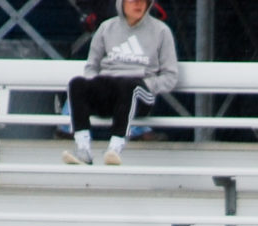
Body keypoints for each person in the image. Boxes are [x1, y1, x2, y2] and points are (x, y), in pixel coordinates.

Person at [62, 0, 179, 167]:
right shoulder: (106, 28)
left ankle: (115, 148)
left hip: (140, 95)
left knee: (127, 85)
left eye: (143, 2)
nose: (138, 5)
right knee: (77, 84)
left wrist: (149, 84)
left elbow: (170, 76)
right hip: (109, 92)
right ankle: (83, 149)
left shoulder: (161, 31)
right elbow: (91, 67)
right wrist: (98, 85)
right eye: (133, 1)